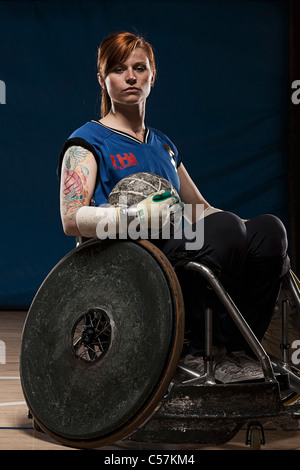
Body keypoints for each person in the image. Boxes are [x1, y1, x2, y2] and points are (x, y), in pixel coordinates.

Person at [59, 31, 289, 384]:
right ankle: (201, 350)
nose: (131, 77)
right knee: (225, 229)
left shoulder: (163, 145)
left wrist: (251, 234)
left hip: (178, 240)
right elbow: (72, 219)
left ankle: (243, 348)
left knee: (269, 230)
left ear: (153, 75)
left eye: (140, 67)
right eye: (119, 69)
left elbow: (202, 210)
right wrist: (134, 217)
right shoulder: (88, 140)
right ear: (103, 79)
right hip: (131, 252)